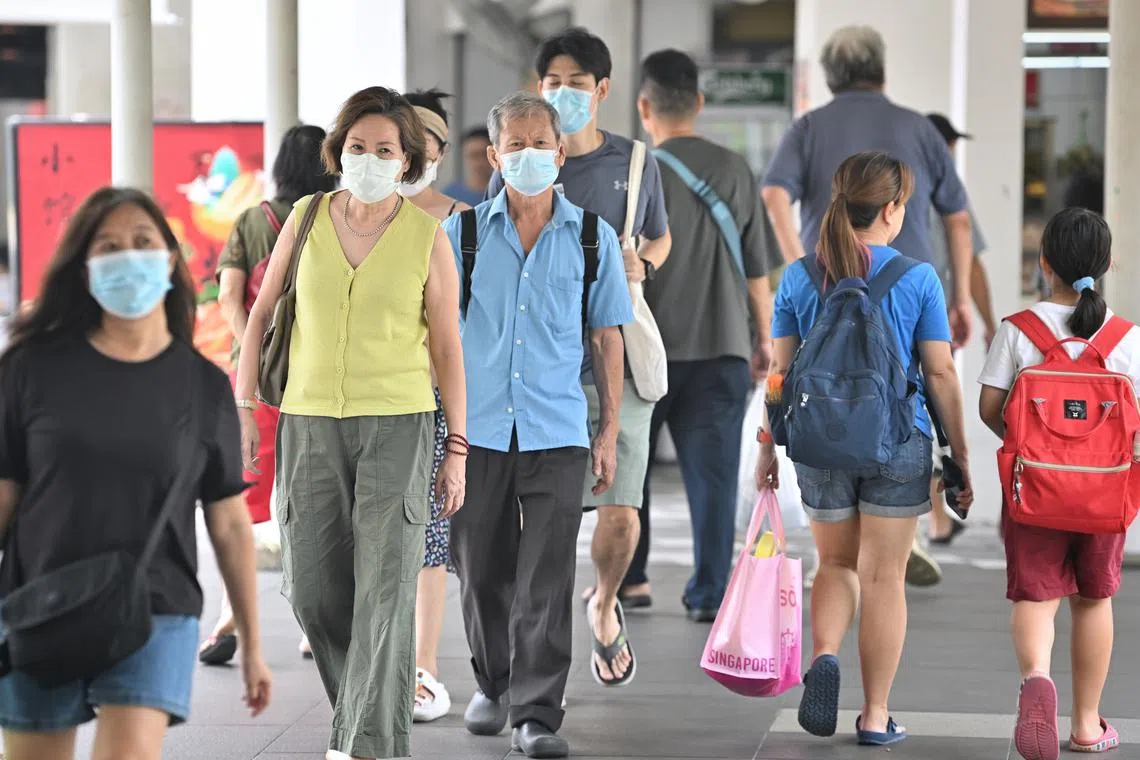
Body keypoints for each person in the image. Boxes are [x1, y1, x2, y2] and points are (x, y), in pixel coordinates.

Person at [234, 86, 467, 760]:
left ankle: (359, 745)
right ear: (338, 153)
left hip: (400, 424)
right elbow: (260, 314)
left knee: (385, 589)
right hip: (309, 423)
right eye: (357, 147)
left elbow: (447, 348)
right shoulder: (306, 217)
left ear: (407, 162)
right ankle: (374, 728)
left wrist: (457, 449)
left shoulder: (428, 237)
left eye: (384, 149)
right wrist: (247, 405)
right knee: (311, 587)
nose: (369, 158)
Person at [0, 187, 272, 760]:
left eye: (143, 242)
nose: (128, 255)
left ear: (170, 260)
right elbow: (5, 497)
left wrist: (250, 640)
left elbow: (227, 524)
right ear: (84, 267)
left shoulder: (201, 386)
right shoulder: (30, 369)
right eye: (109, 245)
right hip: (38, 600)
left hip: (155, 605)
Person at [756, 152, 974, 746]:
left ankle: (824, 656)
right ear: (892, 209)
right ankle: (876, 714)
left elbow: (779, 371)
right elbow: (941, 373)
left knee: (835, 565)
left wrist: (768, 445)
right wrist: (960, 452)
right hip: (897, 443)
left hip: (819, 444)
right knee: (884, 579)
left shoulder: (800, 276)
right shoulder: (919, 278)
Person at [447, 91, 632, 759]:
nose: (528, 156)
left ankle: (535, 713)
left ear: (562, 152)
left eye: (540, 144)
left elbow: (607, 338)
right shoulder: (460, 235)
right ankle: (493, 682)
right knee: (481, 571)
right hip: (478, 433)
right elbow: (435, 338)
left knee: (546, 578)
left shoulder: (592, 237)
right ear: (494, 157)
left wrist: (608, 431)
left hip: (557, 431)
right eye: (514, 146)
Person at [486, 26, 670, 681]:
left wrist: (640, 264)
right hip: (538, 374)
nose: (563, 94)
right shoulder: (507, 175)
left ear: (603, 91)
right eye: (552, 82)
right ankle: (533, 659)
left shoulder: (637, 164)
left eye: (575, 83)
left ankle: (606, 602)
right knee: (541, 527)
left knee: (619, 515)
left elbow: (661, 239)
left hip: (618, 362)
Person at [762, 24, 976, 587]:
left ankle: (850, 556)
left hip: (820, 304)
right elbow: (957, 216)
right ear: (881, 70)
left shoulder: (809, 128)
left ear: (831, 76)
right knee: (911, 394)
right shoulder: (917, 129)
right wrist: (958, 296)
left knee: (834, 394)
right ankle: (906, 530)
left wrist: (803, 265)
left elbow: (773, 192)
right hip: (909, 295)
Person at [632, 49, 783, 621]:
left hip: (645, 351)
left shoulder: (633, 168)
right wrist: (765, 338)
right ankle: (709, 592)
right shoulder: (735, 169)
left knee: (632, 471)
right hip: (721, 347)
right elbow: (756, 270)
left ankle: (632, 580)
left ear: (645, 106)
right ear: (698, 102)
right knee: (714, 478)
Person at [979, 207, 1128, 759]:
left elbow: (991, 408)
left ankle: (1037, 678)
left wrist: (1031, 449)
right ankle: (1087, 725)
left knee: (1037, 597)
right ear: (1109, 263)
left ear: (1044, 265)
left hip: (1034, 493)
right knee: (1093, 601)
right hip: (1104, 497)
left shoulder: (1021, 332)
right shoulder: (1126, 340)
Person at [203, 124, 337, 666]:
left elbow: (231, 297)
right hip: (321, 378)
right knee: (317, 503)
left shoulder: (253, 222)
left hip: (256, 386)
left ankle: (228, 617)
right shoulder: (335, 218)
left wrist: (256, 349)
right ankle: (314, 624)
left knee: (249, 505)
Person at [401, 87, 471, 724]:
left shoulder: (465, 220)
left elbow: (466, 326)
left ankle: (423, 667)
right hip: (367, 397)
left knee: (430, 538)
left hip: (434, 397)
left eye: (430, 143)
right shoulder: (347, 214)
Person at [924, 113, 997, 547]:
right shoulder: (949, 197)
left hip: (892, 321)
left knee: (921, 414)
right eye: (949, 144)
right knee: (937, 413)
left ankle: (933, 520)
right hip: (934, 323)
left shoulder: (895, 191)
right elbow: (971, 262)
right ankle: (935, 521)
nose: (952, 153)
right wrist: (984, 318)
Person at [441, 127, 493, 207]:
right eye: (473, 155)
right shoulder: (450, 195)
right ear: (464, 156)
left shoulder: (508, 192)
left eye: (483, 154)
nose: (479, 163)